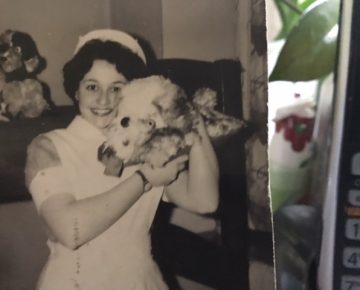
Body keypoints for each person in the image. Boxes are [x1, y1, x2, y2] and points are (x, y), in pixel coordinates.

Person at [25, 29, 219, 290]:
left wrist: (192, 121)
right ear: (76, 91)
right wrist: (144, 180)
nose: (104, 100)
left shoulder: (149, 145)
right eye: (92, 86)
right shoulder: (48, 146)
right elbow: (71, 231)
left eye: (117, 88)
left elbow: (204, 201)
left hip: (140, 281)